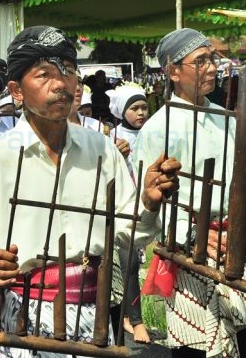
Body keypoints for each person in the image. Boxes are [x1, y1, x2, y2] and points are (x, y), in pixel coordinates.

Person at [0, 25, 180, 357]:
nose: (60, 83)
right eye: (44, 75)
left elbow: (124, 231)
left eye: (69, 71)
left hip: (94, 318)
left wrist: (146, 203)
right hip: (23, 320)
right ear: (17, 91)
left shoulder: (102, 150)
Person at [133, 28, 246, 358]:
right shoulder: (159, 127)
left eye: (213, 59)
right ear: (173, 71)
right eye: (201, 60)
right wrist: (193, 234)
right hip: (188, 248)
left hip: (230, 243)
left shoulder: (226, 118)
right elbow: (154, 199)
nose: (211, 67)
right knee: (196, 347)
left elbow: (241, 183)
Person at [108, 84, 151, 343]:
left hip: (147, 205)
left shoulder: (154, 132)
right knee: (128, 263)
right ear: (122, 111)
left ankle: (127, 314)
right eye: (134, 108)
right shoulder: (112, 136)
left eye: (144, 107)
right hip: (121, 206)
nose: (141, 113)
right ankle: (136, 319)